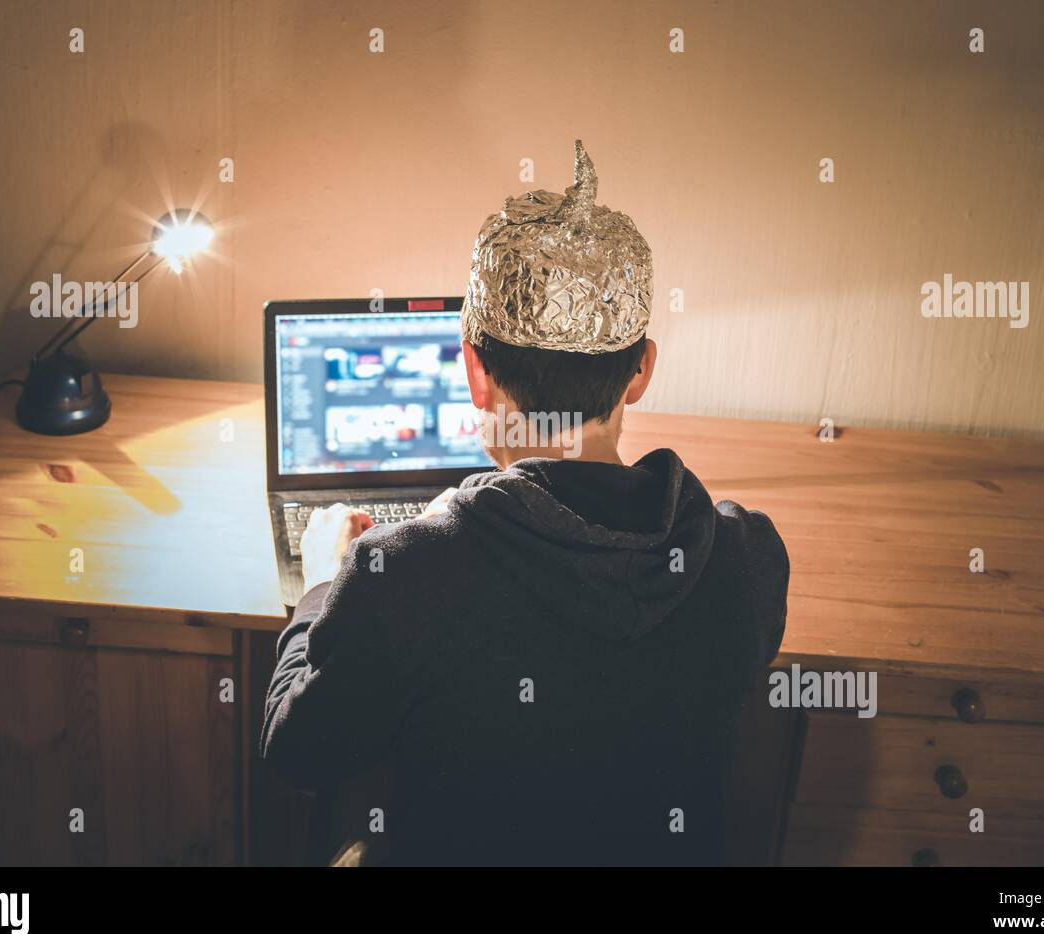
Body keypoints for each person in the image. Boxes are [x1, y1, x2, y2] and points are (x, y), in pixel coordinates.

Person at [261, 141, 789, 865]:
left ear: (474, 371)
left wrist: (324, 583)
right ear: (641, 372)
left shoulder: (402, 574)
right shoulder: (747, 557)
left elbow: (295, 751)